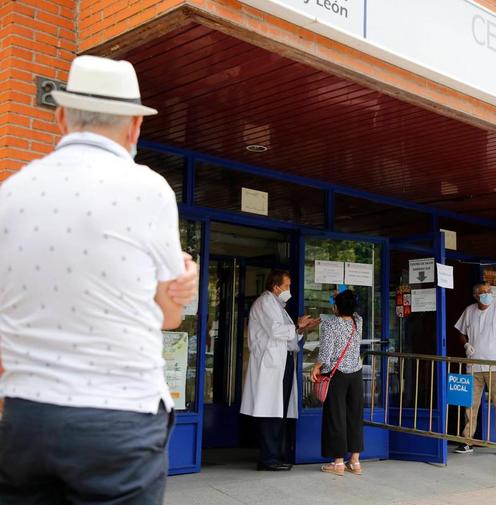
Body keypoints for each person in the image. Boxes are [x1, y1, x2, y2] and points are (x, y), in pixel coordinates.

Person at [0, 55, 199, 504]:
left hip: (26, 421)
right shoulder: (147, 189)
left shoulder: (10, 193)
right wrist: (187, 278)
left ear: (62, 116)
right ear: (134, 127)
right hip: (119, 420)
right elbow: (168, 315)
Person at [240, 269, 319, 471]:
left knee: (279, 411)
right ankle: (268, 459)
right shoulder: (265, 302)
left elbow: (288, 336)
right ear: (276, 287)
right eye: (287, 286)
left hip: (281, 362)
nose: (289, 290)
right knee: (270, 412)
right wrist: (297, 325)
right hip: (270, 365)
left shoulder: (278, 305)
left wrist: (301, 328)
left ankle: (276, 455)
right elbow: (276, 331)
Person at [454, 282, 496, 457]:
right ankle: (467, 441)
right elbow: (460, 332)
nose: (487, 294)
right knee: (470, 404)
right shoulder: (469, 311)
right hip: (474, 364)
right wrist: (466, 344)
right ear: (476, 295)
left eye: (489, 291)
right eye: (483, 292)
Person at [310, 290, 364, 476]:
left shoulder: (330, 324)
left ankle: (338, 463)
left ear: (336, 307)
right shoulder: (358, 322)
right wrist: (342, 295)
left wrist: (316, 368)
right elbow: (354, 310)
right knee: (354, 416)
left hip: (337, 375)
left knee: (336, 417)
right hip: (356, 375)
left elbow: (325, 352)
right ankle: (355, 462)